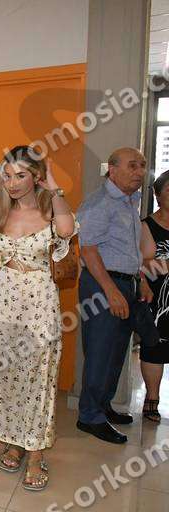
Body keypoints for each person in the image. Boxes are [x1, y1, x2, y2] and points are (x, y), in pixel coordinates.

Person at [0, 146, 75, 491]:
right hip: (5, 303)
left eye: (21, 175)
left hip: (40, 302)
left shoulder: (51, 211)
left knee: (38, 376)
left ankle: (35, 453)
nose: (13, 183)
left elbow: (66, 231)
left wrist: (54, 187)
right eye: (7, 176)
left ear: (36, 176)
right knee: (8, 374)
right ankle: (15, 442)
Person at [77, 147, 148, 444]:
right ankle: (89, 417)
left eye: (142, 165)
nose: (140, 172)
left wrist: (140, 280)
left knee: (116, 351)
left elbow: (128, 249)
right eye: (133, 166)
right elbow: (88, 250)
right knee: (100, 351)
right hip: (103, 285)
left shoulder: (129, 201)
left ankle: (102, 405)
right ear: (113, 170)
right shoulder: (99, 203)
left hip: (125, 283)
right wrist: (111, 291)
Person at [138, 171, 169, 423]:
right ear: (158, 195)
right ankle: (152, 398)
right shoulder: (146, 225)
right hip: (159, 299)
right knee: (155, 348)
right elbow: (143, 265)